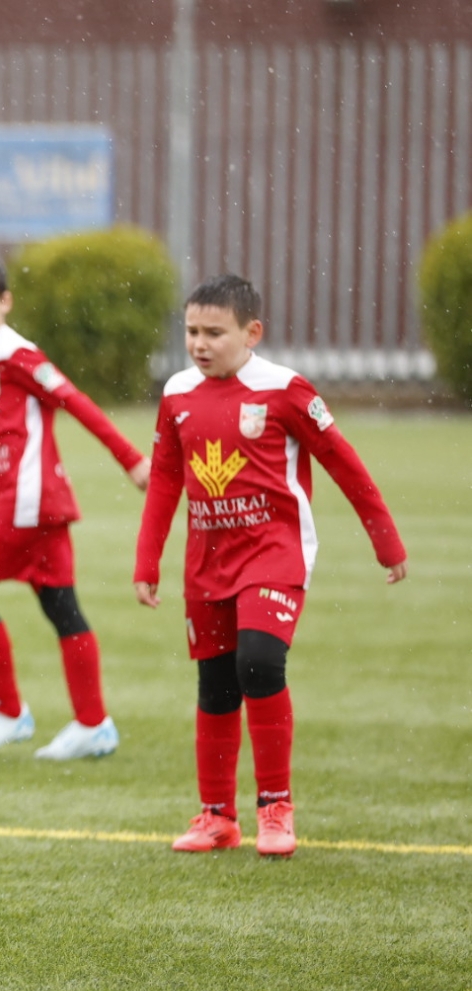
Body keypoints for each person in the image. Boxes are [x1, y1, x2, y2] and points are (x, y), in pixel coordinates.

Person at [134, 275, 407, 857]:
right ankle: (217, 816)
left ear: (252, 332)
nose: (199, 344)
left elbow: (342, 460)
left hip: (274, 554)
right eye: (191, 331)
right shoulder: (177, 394)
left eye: (215, 333)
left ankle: (275, 807)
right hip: (207, 561)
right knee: (215, 685)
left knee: (258, 663)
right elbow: (165, 478)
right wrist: (147, 559)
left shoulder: (284, 389)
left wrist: (386, 540)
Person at [0, 253, 150, 759]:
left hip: (27, 497)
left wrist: (131, 460)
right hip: (33, 501)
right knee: (61, 606)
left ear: (4, 301)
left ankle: (8, 713)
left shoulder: (17, 355)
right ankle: (93, 724)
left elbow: (76, 401)